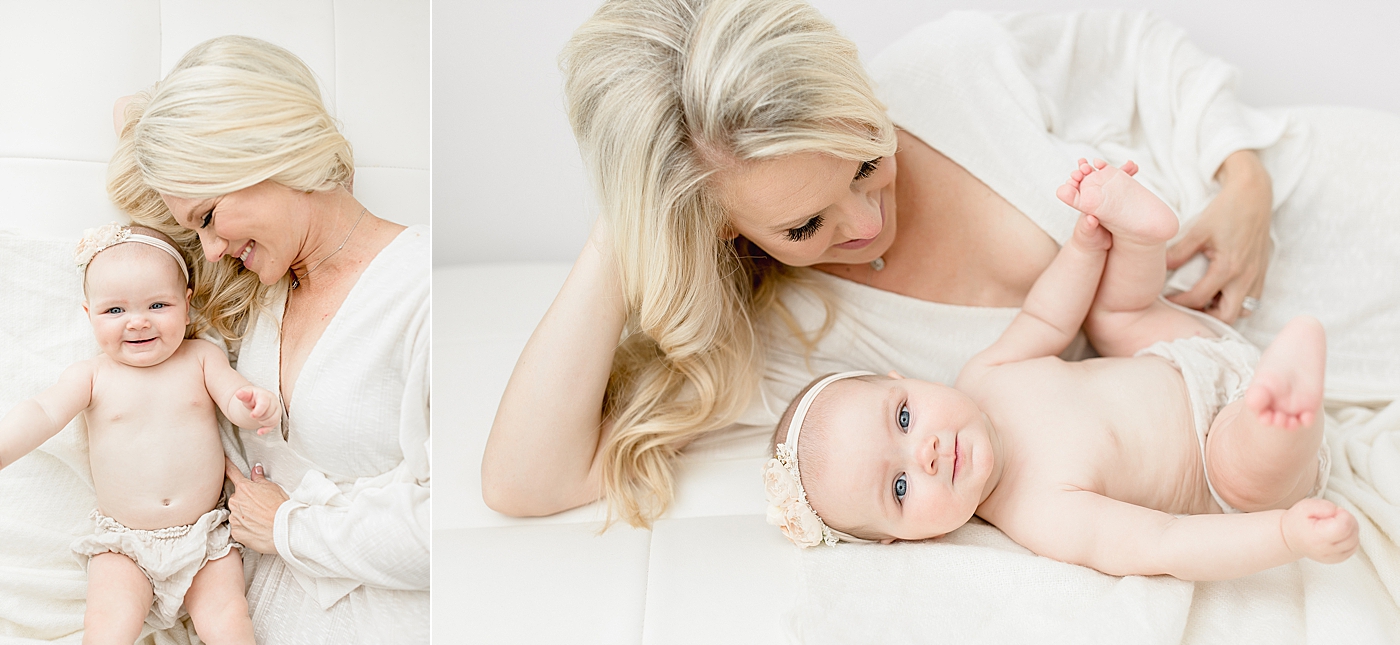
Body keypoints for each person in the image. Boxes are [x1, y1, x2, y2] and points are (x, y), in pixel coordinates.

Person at [483, 0, 1285, 528]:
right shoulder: (786, 343)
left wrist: (1244, 175)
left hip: (1293, 205)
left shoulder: (951, 67)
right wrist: (626, 230)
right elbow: (525, 482)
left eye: (866, 157)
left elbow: (1134, 46)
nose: (868, 222)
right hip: (1258, 424)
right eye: (804, 224)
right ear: (727, 232)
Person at [762, 159, 1357, 581]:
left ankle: (1142, 235)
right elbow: (1164, 543)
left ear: (903, 381)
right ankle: (1285, 414)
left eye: (904, 418)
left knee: (1114, 316)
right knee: (1247, 461)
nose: (926, 452)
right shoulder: (1037, 512)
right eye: (899, 488)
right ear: (905, 539)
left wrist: (1085, 247)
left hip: (1181, 356)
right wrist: (1284, 537)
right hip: (1218, 464)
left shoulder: (983, 376)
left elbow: (1049, 318)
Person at [106, 35, 429, 643]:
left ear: (268, 155)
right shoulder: (254, 293)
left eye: (207, 217)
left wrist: (287, 526)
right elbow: (127, 121)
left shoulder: (419, 291)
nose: (209, 249)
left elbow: (445, 525)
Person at [0, 224, 273, 643]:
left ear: (186, 305)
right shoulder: (92, 375)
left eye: (158, 305)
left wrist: (253, 407)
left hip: (204, 538)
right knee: (108, 626)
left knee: (229, 621)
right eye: (115, 311)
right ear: (89, 315)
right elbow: (42, 411)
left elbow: (234, 399)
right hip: (123, 544)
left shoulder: (201, 358)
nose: (137, 322)